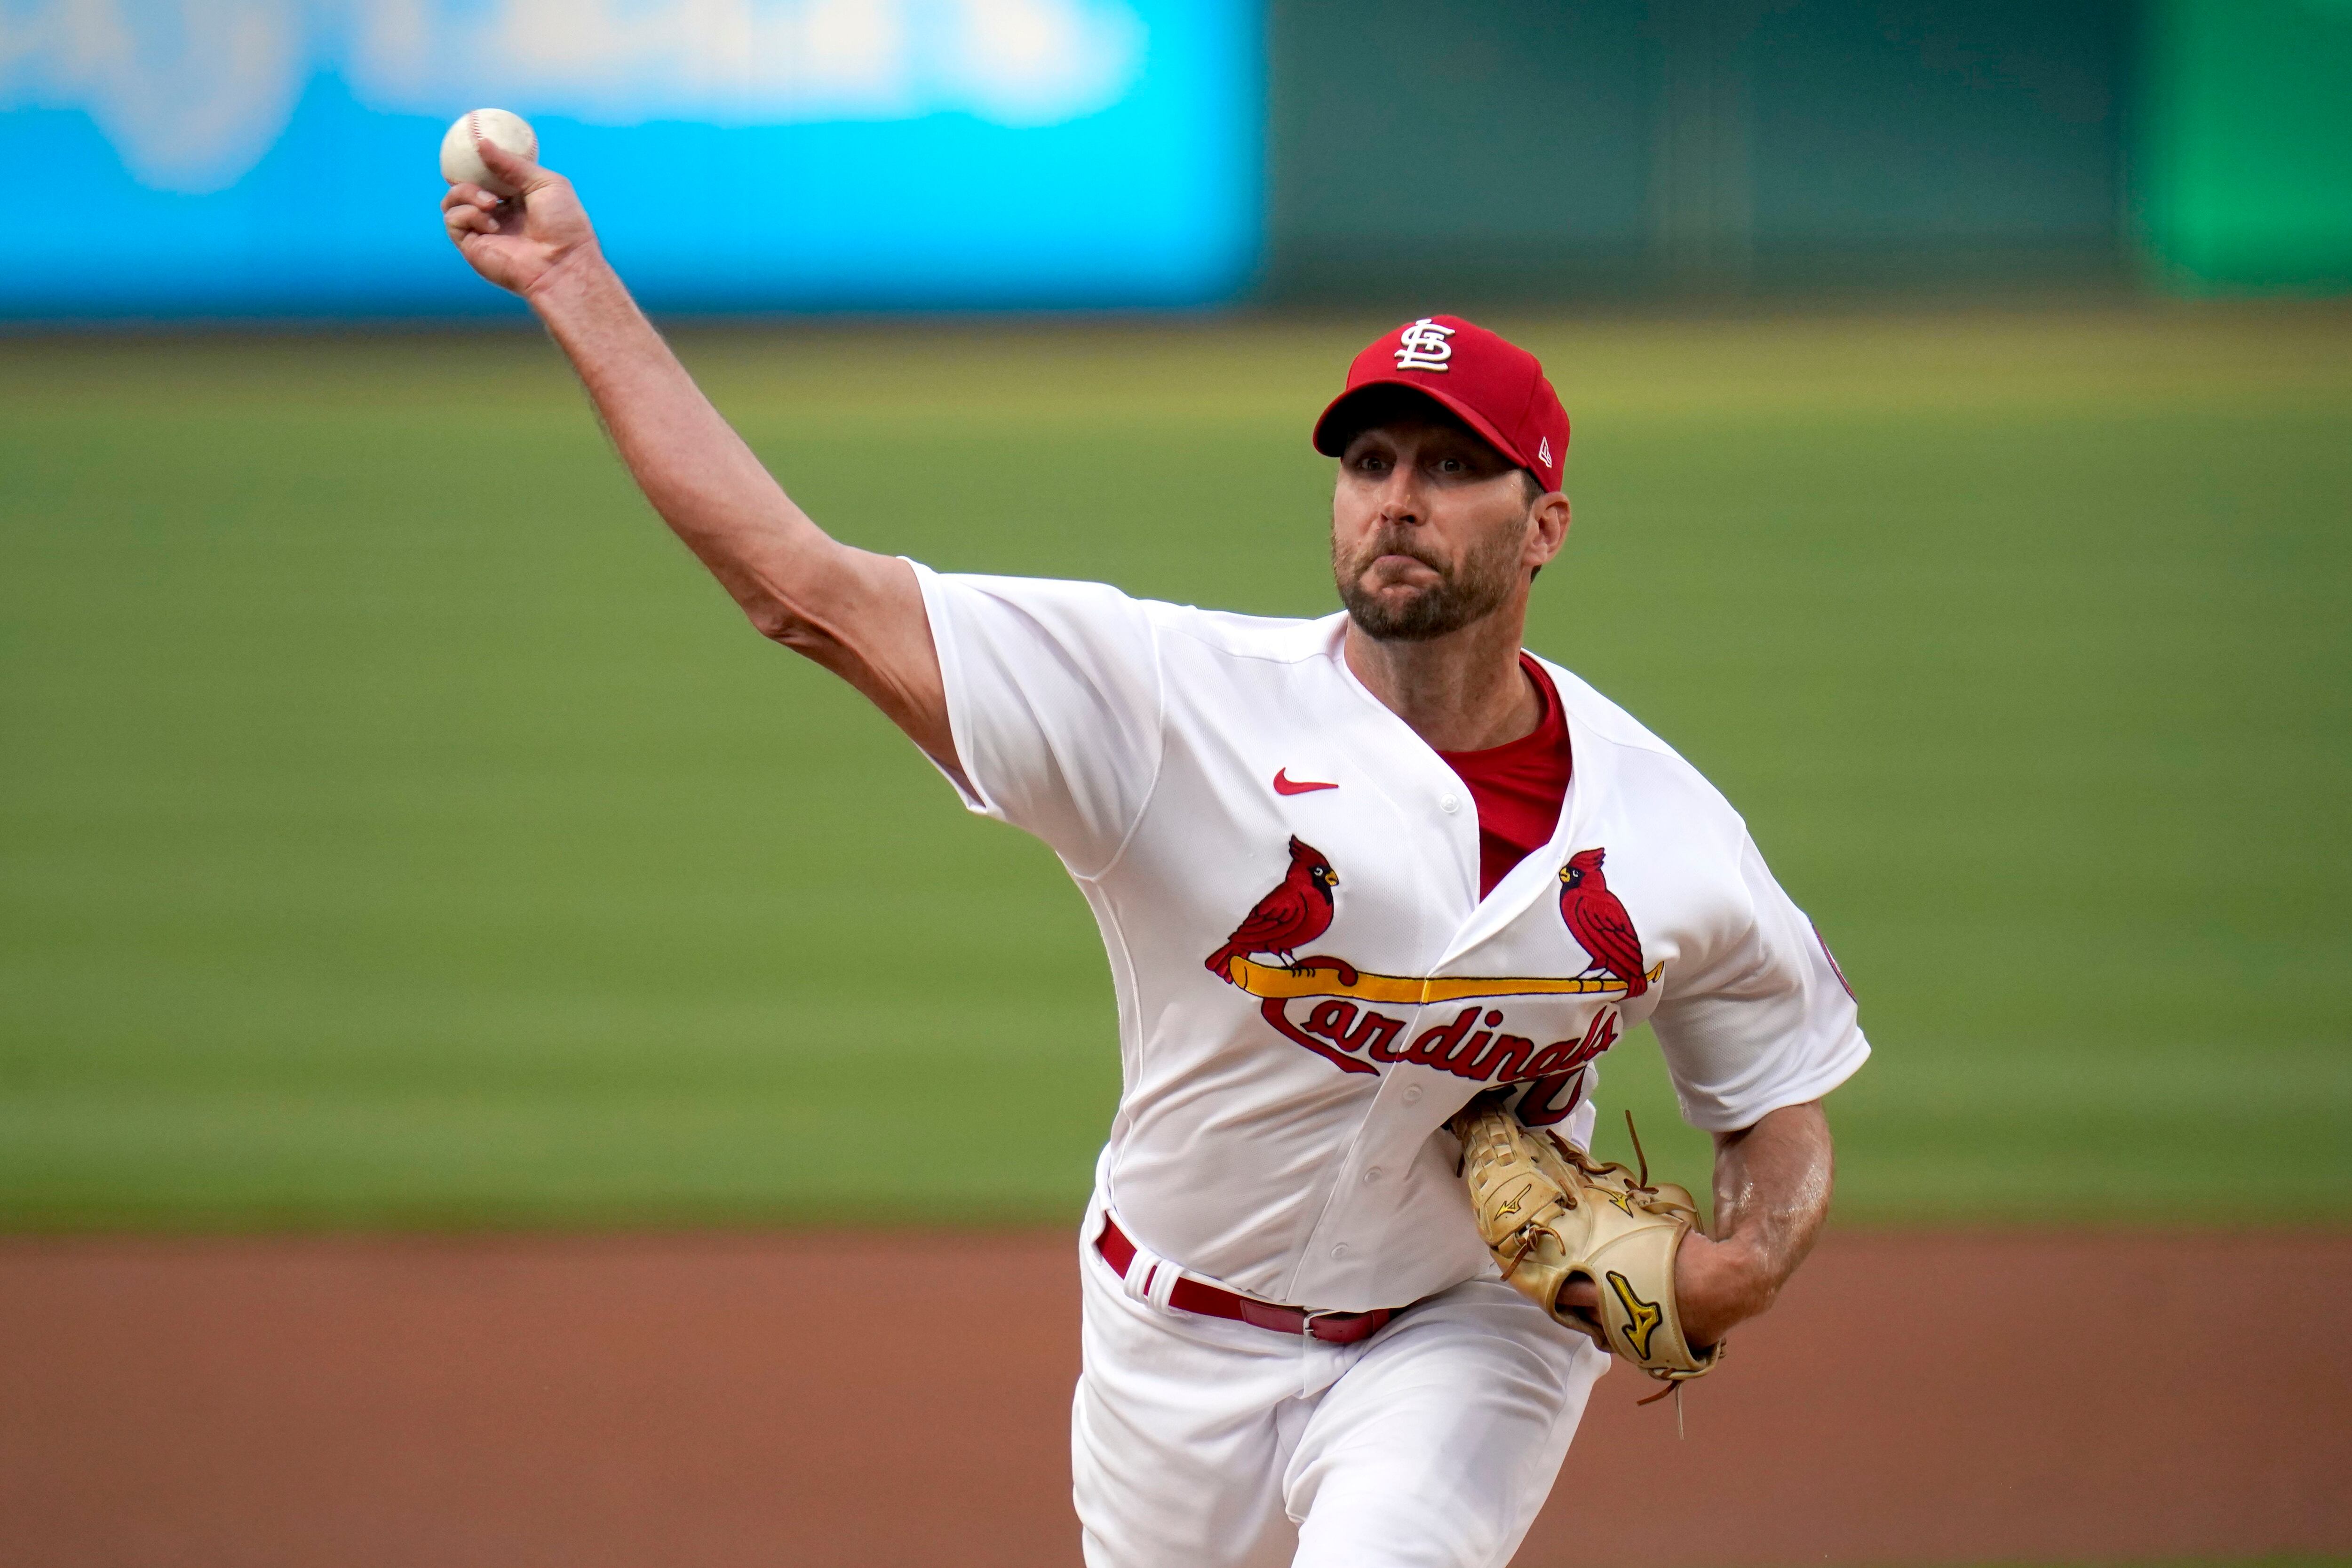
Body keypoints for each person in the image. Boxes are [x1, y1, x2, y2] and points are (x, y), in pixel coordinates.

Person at [443, 141, 1868, 1568]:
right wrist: (571, 279)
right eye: (1370, 460)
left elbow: (1778, 1082)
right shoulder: (1170, 703)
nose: (1397, 498)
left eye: (1453, 467)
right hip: (1172, 1338)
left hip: (1471, 1333)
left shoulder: (1665, 824)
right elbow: (800, 590)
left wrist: (1737, 1272)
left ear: (1545, 524)